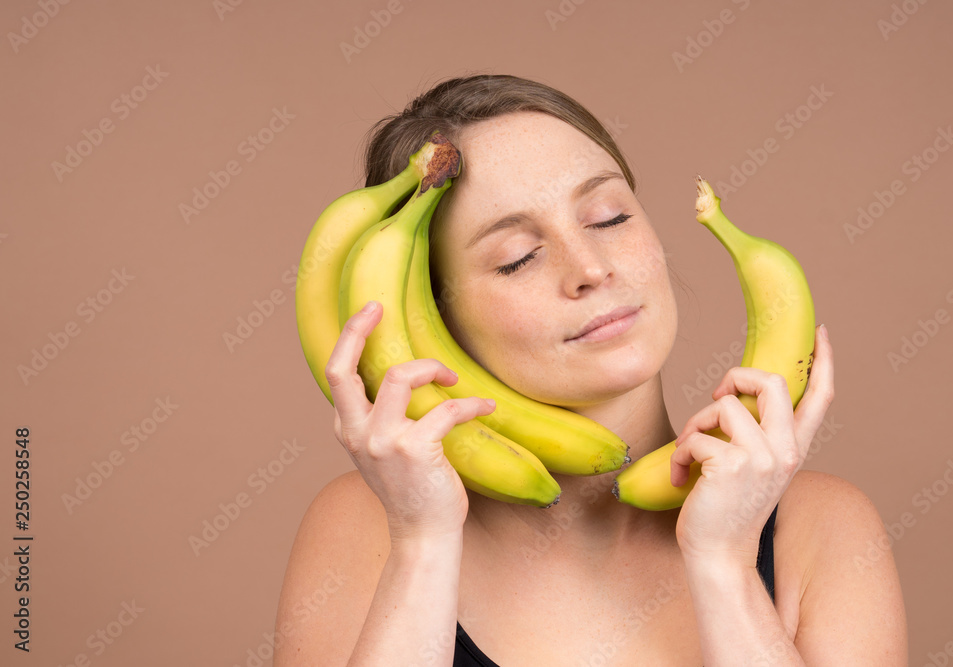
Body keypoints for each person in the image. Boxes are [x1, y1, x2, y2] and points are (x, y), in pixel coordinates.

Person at [273, 74, 907, 665]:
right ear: (431, 317)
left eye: (610, 217)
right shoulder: (367, 527)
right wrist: (422, 546)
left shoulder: (822, 529)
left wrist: (725, 564)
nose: (590, 268)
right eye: (517, 258)